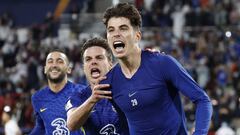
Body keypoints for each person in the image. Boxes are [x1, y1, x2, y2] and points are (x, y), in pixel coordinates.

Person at [90, 2, 212, 135]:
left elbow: (202, 100)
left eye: (123, 28)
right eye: (111, 30)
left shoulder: (162, 64)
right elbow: (122, 122)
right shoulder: (109, 82)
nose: (116, 34)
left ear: (137, 36)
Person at [66, 37, 129, 135]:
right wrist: (93, 99)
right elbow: (71, 124)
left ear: (110, 64)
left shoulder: (127, 89)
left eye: (99, 58)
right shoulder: (79, 96)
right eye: (88, 59)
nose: (93, 62)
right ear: (84, 68)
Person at [30, 50, 85, 135]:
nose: (54, 65)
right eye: (50, 61)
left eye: (60, 61)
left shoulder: (82, 92)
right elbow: (41, 127)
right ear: (45, 69)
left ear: (69, 69)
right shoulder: (37, 98)